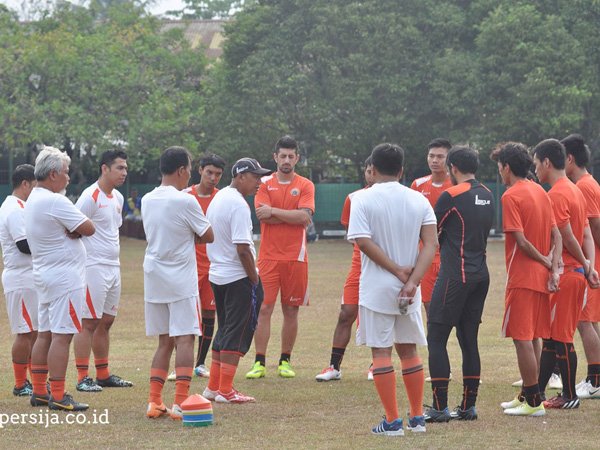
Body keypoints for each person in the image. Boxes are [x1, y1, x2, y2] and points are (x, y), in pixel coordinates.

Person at [347, 143, 437, 436]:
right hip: (410, 287)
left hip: (377, 287)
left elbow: (362, 241)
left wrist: (395, 270)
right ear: (401, 170)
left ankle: (392, 421)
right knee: (409, 351)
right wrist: (411, 281)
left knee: (381, 352)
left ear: (371, 169)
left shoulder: (361, 198)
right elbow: (432, 244)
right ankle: (418, 418)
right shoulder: (418, 199)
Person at [491, 142, 562, 417]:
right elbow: (556, 234)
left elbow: (520, 241)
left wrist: (545, 261)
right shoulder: (540, 191)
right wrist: (553, 267)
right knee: (533, 336)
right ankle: (530, 394)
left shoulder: (511, 196)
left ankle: (533, 402)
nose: (499, 173)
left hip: (522, 277)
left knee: (521, 338)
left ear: (507, 168)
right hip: (541, 278)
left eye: (499, 168)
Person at [142, 146, 213, 420]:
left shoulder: (148, 199)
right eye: (190, 169)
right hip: (181, 277)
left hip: (154, 275)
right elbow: (208, 234)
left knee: (164, 342)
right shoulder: (186, 200)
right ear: (182, 170)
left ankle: (154, 401)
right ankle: (182, 402)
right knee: (185, 338)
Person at [425, 146, 494, 422]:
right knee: (468, 340)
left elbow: (431, 232)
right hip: (480, 276)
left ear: (452, 167)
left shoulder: (450, 195)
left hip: (456, 275)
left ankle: (439, 407)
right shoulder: (488, 195)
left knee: (436, 338)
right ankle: (468, 406)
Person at [25, 146, 95, 411]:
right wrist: (74, 229)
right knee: (62, 336)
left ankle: (41, 391)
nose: (68, 178)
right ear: (53, 174)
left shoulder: (33, 198)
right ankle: (58, 394)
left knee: (44, 334)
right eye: (66, 173)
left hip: (44, 274)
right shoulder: (55, 200)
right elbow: (89, 227)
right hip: (65, 278)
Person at [532, 138, 599, 410]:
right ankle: (535, 392)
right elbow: (585, 233)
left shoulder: (557, 194)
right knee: (552, 337)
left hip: (568, 272)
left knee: (561, 337)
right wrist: (590, 265)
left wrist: (583, 263)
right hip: (577, 271)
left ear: (547, 162)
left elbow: (568, 234)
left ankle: (569, 395)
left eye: (536, 164)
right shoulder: (574, 190)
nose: (535, 170)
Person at [202, 158, 271, 403]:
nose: (259, 183)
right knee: (237, 331)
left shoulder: (219, 198)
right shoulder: (239, 205)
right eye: (255, 177)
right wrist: (254, 278)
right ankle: (226, 390)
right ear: (241, 176)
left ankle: (213, 387)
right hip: (238, 276)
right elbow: (242, 248)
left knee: (225, 329)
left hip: (218, 276)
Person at [246, 136, 315, 379]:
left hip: (296, 258)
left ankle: (285, 361)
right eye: (282, 156)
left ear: (297, 158)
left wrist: (274, 211)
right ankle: (259, 362)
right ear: (275, 157)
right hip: (268, 258)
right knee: (263, 308)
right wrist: (291, 215)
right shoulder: (263, 183)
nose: (286, 160)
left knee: (291, 310)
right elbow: (261, 216)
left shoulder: (306, 185)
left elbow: (304, 218)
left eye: (291, 156)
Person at [73, 150, 133, 392]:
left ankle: (103, 374)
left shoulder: (117, 197)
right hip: (93, 268)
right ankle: (81, 377)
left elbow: (112, 230)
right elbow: (73, 227)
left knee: (106, 321)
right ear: (104, 168)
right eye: (119, 168)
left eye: (125, 168)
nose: (124, 173)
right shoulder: (90, 196)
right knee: (88, 322)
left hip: (113, 267)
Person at [315, 156, 375, 382]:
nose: (371, 175)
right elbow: (352, 233)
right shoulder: (354, 198)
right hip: (359, 265)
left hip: (383, 267)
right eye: (368, 171)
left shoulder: (390, 199)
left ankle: (376, 365)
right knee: (346, 313)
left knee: (376, 315)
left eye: (374, 171)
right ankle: (334, 366)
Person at [169, 154, 226, 381]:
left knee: (209, 314)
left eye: (218, 174)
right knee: (184, 316)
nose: (213, 178)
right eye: (209, 172)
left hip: (213, 266)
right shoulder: (184, 196)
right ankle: (178, 365)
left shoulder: (222, 198)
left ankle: (200, 363)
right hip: (187, 266)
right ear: (200, 170)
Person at [562, 134, 600, 399]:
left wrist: (589, 263)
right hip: (592, 261)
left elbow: (594, 226)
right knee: (590, 321)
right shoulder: (587, 183)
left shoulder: (584, 187)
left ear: (570, 159)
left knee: (584, 321)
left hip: (591, 263)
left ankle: (595, 380)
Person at [0, 164, 38, 397]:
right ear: (25, 183)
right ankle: (19, 383)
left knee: (34, 331)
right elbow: (23, 245)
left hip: (29, 278)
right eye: (35, 185)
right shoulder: (14, 209)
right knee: (24, 332)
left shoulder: (22, 206)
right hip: (20, 278)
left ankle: (34, 380)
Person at [410, 138, 453, 318]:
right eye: (431, 156)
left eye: (440, 157)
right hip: (425, 254)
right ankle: (434, 343)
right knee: (428, 304)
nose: (435, 160)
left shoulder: (457, 185)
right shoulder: (417, 185)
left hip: (449, 253)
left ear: (449, 159)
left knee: (450, 302)